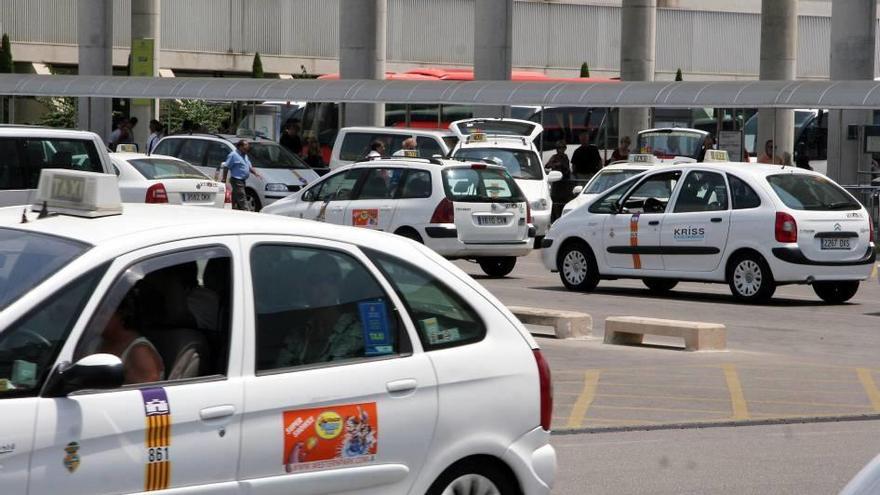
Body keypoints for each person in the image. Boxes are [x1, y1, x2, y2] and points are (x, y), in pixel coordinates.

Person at [274, 254, 364, 368]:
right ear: (303, 287)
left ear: (340, 285)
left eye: (332, 279)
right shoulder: (298, 332)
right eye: (315, 279)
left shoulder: (359, 330)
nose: (324, 285)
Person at [97, 294, 164, 385]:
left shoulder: (139, 351)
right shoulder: (95, 342)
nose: (97, 319)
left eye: (103, 313)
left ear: (121, 314)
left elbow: (148, 391)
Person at [222, 140, 262, 210]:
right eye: (245, 146)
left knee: (235, 198)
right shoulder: (233, 155)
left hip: (242, 181)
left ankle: (234, 210)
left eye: (247, 147)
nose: (247, 148)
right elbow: (226, 167)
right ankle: (246, 211)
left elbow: (249, 166)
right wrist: (224, 179)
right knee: (242, 197)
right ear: (240, 147)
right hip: (236, 180)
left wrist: (256, 173)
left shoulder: (245, 155)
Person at [545, 141, 572, 221]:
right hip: (556, 182)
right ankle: (556, 218)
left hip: (564, 182)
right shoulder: (554, 157)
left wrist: (561, 164)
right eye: (558, 148)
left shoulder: (565, 157)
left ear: (564, 148)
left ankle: (563, 218)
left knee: (564, 201)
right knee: (555, 201)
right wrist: (555, 164)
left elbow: (566, 168)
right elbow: (547, 165)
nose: (560, 149)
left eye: (562, 147)